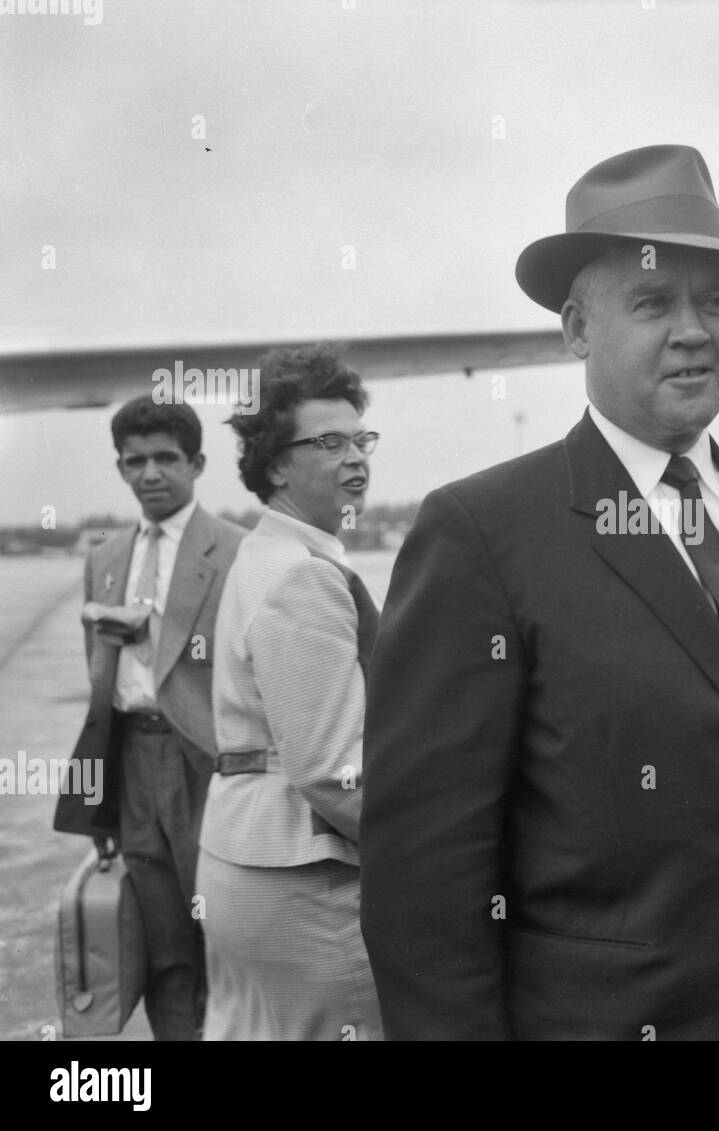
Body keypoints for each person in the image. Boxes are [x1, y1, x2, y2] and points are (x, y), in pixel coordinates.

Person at [361, 145, 719, 1040]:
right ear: (577, 330)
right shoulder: (482, 535)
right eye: (652, 301)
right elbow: (425, 887)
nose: (694, 330)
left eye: (716, 301)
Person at [195, 345, 383, 1040]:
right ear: (274, 463)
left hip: (241, 856)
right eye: (328, 442)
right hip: (301, 876)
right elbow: (335, 773)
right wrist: (428, 850)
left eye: (361, 437)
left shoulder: (266, 551)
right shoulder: (303, 573)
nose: (356, 458)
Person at [54, 397, 246, 1040]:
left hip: (210, 766)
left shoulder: (239, 552)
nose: (151, 473)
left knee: (226, 938)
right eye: (135, 462)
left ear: (196, 463)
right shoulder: (104, 559)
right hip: (134, 763)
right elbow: (100, 693)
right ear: (120, 469)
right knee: (164, 944)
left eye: (166, 458)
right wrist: (99, 801)